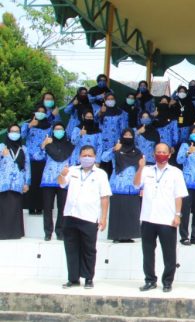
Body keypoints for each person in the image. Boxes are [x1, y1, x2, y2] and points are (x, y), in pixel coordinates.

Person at [134, 143, 188, 293]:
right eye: (158, 152)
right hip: (148, 218)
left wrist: (178, 215)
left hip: (167, 219)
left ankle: (167, 281)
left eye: (164, 152)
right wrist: (140, 168)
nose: (161, 154)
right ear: (153, 154)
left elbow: (179, 195)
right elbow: (136, 184)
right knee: (147, 252)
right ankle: (150, 280)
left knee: (169, 253)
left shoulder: (176, 172)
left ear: (169, 155)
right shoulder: (147, 170)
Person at [58, 146, 112, 289]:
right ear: (79, 156)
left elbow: (105, 196)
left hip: (89, 217)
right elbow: (61, 183)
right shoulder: (72, 170)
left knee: (89, 249)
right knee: (71, 248)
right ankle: (73, 278)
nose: (87, 158)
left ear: (94, 157)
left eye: (89, 155)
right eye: (84, 155)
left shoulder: (100, 174)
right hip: (71, 215)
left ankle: (88, 278)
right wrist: (62, 174)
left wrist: (104, 217)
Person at [102, 128, 144, 242]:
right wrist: (113, 149)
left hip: (133, 187)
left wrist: (142, 186)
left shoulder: (138, 152)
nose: (128, 137)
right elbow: (104, 158)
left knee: (131, 212)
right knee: (118, 211)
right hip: (118, 186)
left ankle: (129, 235)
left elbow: (141, 168)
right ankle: (116, 235)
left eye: (130, 135)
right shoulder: (116, 149)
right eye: (125, 135)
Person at [41, 122, 75, 241]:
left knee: (63, 207)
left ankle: (60, 232)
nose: (58, 131)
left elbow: (73, 162)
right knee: (47, 207)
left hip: (64, 179)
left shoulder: (70, 145)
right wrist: (44, 145)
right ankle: (47, 233)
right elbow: (38, 156)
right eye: (56, 129)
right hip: (48, 180)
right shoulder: (48, 144)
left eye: (60, 129)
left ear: (64, 131)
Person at [0, 124, 30, 239]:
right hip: (4, 182)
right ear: (8, 133)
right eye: (12, 131)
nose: (15, 133)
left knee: (15, 208)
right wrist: (4, 156)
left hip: (18, 183)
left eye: (17, 131)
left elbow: (27, 166)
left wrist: (27, 182)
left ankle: (15, 233)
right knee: (3, 208)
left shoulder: (24, 149)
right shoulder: (2, 147)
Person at [23, 104, 53, 215]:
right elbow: (21, 136)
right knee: (31, 183)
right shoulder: (27, 124)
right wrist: (30, 126)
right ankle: (31, 207)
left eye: (42, 112)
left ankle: (40, 207)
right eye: (38, 111)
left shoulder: (49, 127)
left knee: (41, 183)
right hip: (30, 158)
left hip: (43, 158)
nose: (40, 113)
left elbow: (51, 141)